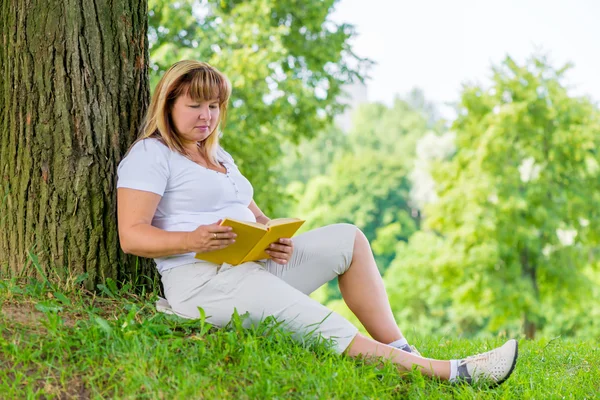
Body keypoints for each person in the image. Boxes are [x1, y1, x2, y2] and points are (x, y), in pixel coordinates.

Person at [116, 60, 518, 386]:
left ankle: (401, 348)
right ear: (168, 105)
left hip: (250, 265)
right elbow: (131, 236)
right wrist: (196, 238)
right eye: (195, 106)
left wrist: (272, 238)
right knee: (321, 322)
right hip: (205, 283)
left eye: (214, 106)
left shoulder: (220, 157)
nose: (207, 117)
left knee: (349, 240)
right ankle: (454, 373)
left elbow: (254, 214)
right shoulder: (153, 155)